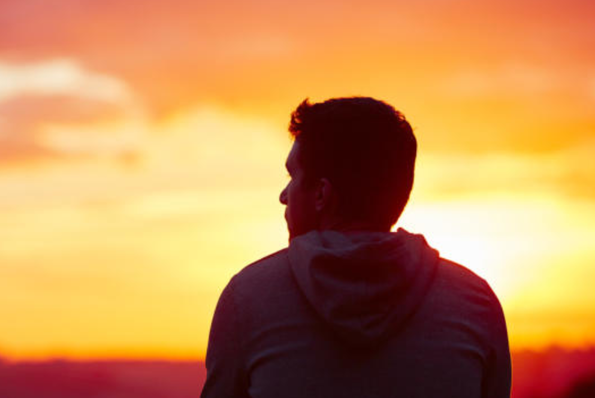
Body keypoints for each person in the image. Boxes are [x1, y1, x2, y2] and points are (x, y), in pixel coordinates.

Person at [200, 97, 511, 398]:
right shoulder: (476, 304)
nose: (283, 195)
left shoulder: (247, 299)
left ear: (321, 194)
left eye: (292, 175)